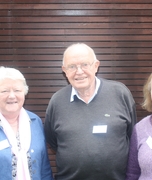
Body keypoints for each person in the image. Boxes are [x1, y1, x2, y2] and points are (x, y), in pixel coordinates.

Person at [44, 43, 137, 180]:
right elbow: (53, 140)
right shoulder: (57, 101)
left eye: (85, 65)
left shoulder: (120, 93)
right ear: (64, 70)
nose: (79, 71)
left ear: (96, 66)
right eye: (72, 66)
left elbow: (132, 135)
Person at [0, 66, 53, 180]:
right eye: (5, 91)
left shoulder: (34, 121)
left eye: (17, 90)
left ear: (25, 92)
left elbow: (44, 167)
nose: (12, 96)